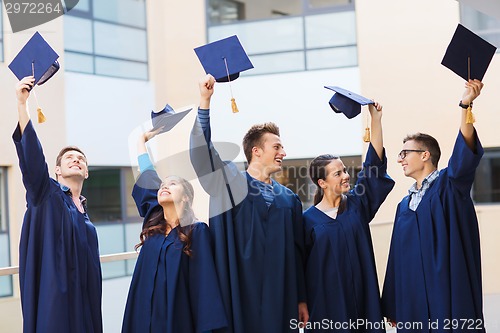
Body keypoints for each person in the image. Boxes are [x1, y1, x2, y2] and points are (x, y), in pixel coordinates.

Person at [190, 74, 308, 333]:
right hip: (238, 294)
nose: (283, 153)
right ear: (256, 151)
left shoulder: (289, 201)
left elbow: (297, 254)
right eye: (277, 146)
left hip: (281, 299)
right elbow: (203, 154)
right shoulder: (228, 182)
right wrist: (205, 102)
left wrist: (301, 297)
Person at [381, 79, 486, 333]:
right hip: (413, 307)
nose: (399, 159)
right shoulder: (404, 205)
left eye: (405, 153)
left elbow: (464, 156)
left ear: (425, 155)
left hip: (446, 300)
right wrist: (393, 306)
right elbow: (396, 259)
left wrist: (465, 105)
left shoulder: (449, 188)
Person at [13, 77, 102, 333]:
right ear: (57, 171)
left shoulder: (85, 214)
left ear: (86, 172)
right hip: (56, 310)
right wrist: (22, 104)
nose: (76, 160)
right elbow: (31, 159)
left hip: (85, 310)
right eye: (69, 158)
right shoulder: (46, 195)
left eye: (81, 159)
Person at [122, 127, 227, 333]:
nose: (164, 186)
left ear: (186, 196)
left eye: (173, 184)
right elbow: (148, 176)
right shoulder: (153, 224)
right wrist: (141, 142)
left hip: (176, 320)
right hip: (143, 318)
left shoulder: (196, 232)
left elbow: (204, 287)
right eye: (163, 185)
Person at [303, 102, 394, 332]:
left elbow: (373, 168)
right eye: (338, 173)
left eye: (344, 170)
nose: (345, 176)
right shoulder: (307, 221)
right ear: (322, 183)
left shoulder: (357, 205)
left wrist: (375, 121)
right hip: (328, 310)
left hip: (365, 305)